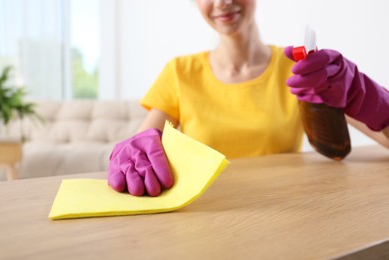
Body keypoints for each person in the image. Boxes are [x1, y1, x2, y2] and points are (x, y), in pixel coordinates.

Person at [108, 0, 389, 197]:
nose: (223, 1)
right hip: (211, 216)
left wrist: (363, 95)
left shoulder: (301, 69)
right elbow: (140, 150)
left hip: (289, 210)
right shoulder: (180, 72)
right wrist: (132, 152)